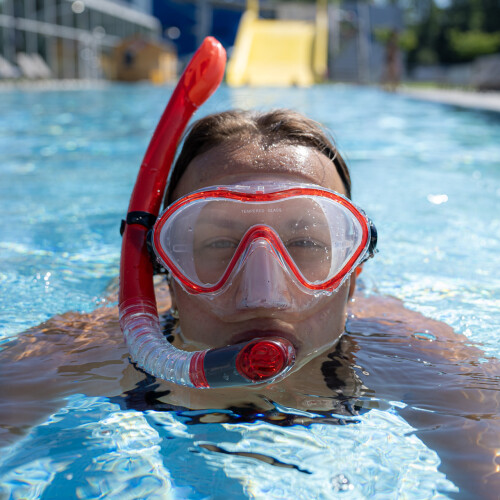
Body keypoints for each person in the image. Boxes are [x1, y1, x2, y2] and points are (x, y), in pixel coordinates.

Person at [1, 108, 498, 499]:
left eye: (305, 243)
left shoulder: (417, 354)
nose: (263, 292)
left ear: (354, 268)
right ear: (163, 264)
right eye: (217, 243)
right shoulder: (86, 346)